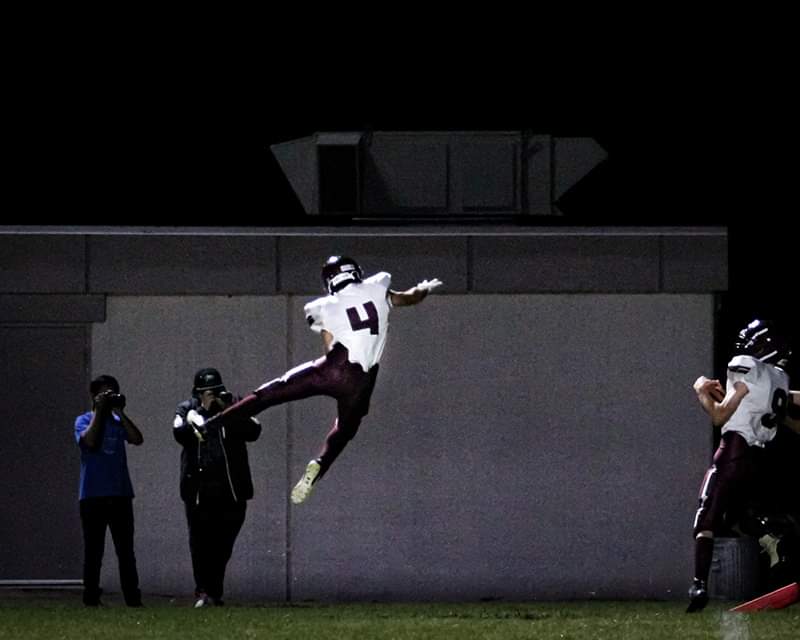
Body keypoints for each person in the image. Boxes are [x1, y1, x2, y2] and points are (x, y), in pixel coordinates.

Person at [204, 255, 442, 505]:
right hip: (361, 383)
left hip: (334, 368)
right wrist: (423, 289)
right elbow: (409, 297)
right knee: (344, 430)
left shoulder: (324, 306)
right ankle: (319, 463)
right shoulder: (378, 285)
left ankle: (212, 424)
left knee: (270, 394)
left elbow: (329, 346)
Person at [687, 319, 800, 612]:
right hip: (759, 460)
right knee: (737, 514)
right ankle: (771, 534)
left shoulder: (746, 366)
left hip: (733, 451)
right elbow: (766, 408)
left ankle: (699, 585)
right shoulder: (779, 378)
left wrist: (701, 390)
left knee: (706, 516)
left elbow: (719, 416)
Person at [172, 367, 262, 608]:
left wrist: (228, 410)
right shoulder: (187, 409)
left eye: (216, 391)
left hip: (232, 489)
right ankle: (205, 591)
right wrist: (201, 413)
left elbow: (254, 430)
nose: (213, 396)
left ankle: (213, 588)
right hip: (199, 490)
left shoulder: (235, 405)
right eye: (208, 393)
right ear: (198, 393)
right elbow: (179, 433)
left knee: (224, 542)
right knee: (200, 542)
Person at [74, 374, 144, 607]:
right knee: (94, 550)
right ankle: (91, 597)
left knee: (125, 550)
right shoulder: (84, 420)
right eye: (104, 393)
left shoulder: (117, 421)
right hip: (92, 495)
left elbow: (137, 439)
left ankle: (133, 598)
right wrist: (99, 412)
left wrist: (119, 412)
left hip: (120, 493)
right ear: (94, 396)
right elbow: (89, 442)